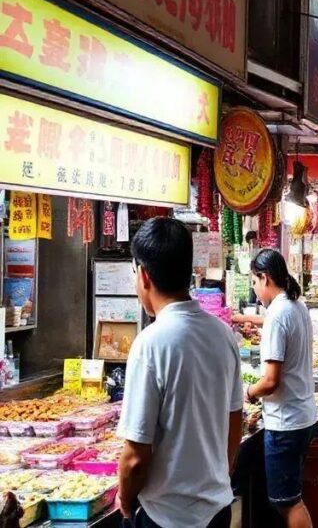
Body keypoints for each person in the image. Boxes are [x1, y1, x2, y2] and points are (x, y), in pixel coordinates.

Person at [117, 218, 241, 528]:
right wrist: (216, 480)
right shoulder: (223, 334)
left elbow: (135, 456)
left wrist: (126, 500)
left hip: (166, 516)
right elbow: (235, 421)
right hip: (217, 510)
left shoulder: (150, 344)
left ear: (143, 276)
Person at [244, 249, 318, 528]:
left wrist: (248, 392)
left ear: (265, 278)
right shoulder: (295, 305)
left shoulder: (278, 313)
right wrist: (246, 320)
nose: (254, 289)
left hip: (285, 422)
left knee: (287, 502)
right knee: (291, 498)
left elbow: (271, 380)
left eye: (254, 281)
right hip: (302, 415)